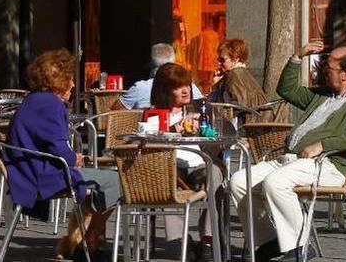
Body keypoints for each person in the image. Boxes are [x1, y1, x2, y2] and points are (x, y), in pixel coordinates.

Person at [230, 41, 346, 262]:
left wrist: (323, 145)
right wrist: (297, 57)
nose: (323, 71)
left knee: (275, 183)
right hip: (291, 160)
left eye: (328, 67)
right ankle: (272, 241)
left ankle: (298, 247)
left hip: (327, 166)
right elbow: (287, 90)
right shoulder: (321, 96)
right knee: (240, 180)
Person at [6, 49, 121, 260]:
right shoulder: (50, 104)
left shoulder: (32, 100)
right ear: (58, 81)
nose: (73, 85)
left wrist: (70, 157)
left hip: (26, 171)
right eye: (69, 79)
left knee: (99, 184)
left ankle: (82, 242)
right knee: (117, 180)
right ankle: (90, 243)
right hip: (43, 175)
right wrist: (73, 157)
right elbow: (58, 147)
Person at [149, 62, 223, 260]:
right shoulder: (154, 115)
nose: (185, 91)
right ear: (165, 91)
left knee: (215, 174)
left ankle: (207, 240)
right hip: (170, 169)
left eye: (187, 85)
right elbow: (149, 145)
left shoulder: (200, 110)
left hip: (199, 166)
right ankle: (179, 241)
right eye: (177, 87)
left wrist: (207, 130)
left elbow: (223, 139)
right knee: (165, 180)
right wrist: (175, 130)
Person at [110, 43, 202, 110]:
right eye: (177, 86)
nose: (186, 90)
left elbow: (114, 113)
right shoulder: (190, 86)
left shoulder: (139, 87)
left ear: (151, 64)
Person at [207, 38, 270, 123]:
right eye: (218, 60)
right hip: (257, 123)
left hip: (245, 127)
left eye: (222, 60)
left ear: (236, 59)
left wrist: (216, 86)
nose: (219, 63)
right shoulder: (242, 73)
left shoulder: (234, 75)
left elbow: (236, 106)